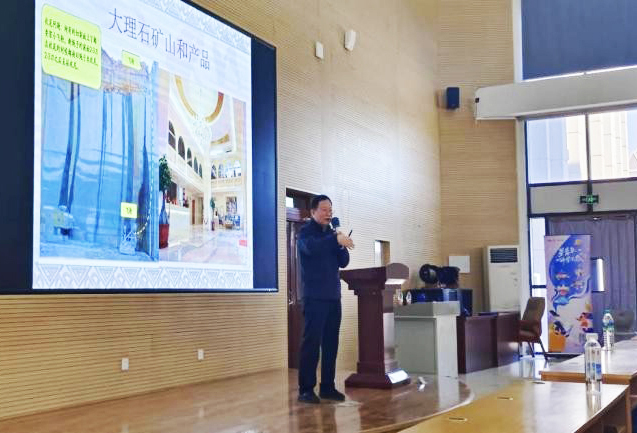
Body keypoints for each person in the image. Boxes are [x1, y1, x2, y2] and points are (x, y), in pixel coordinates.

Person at [297, 194, 354, 404]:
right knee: (312, 344)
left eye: (330, 210)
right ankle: (305, 389)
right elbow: (312, 248)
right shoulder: (306, 232)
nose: (328, 213)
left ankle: (328, 387)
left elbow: (344, 261)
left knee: (331, 344)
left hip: (333, 297)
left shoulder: (331, 233)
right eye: (324, 209)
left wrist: (340, 243)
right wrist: (334, 240)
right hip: (315, 298)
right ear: (313, 212)